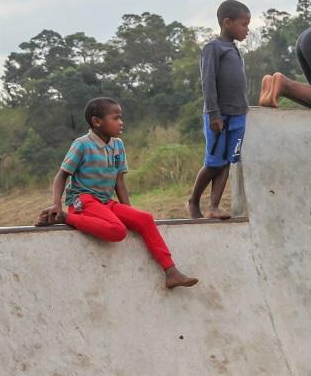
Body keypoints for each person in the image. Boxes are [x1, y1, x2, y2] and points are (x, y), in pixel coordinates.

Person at [38, 97, 198, 290]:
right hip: (83, 200)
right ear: (97, 122)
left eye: (121, 117)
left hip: (105, 202)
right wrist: (57, 204)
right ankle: (66, 218)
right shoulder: (82, 144)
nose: (121, 122)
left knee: (145, 219)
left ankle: (171, 272)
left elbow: (119, 182)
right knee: (117, 231)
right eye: (116, 118)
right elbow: (61, 176)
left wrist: (128, 212)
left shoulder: (118, 145)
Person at [187, 0, 250, 219]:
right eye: (244, 24)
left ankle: (213, 207)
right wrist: (214, 113)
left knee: (227, 161)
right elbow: (208, 82)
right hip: (219, 115)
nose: (247, 30)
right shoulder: (213, 48)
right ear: (227, 22)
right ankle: (193, 200)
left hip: (238, 114)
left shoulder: (233, 49)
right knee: (214, 162)